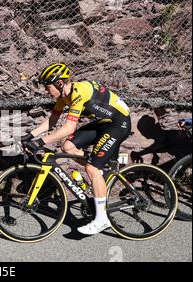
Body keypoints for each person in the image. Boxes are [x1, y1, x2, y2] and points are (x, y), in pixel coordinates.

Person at [21, 63, 132, 235]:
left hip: (119, 123)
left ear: (59, 84)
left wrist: (40, 142)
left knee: (92, 168)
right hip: (103, 123)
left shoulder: (80, 92)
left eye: (47, 86)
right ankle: (98, 171)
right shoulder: (63, 97)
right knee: (67, 146)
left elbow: (68, 128)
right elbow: (53, 120)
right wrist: (29, 135)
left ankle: (102, 220)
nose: (45, 91)